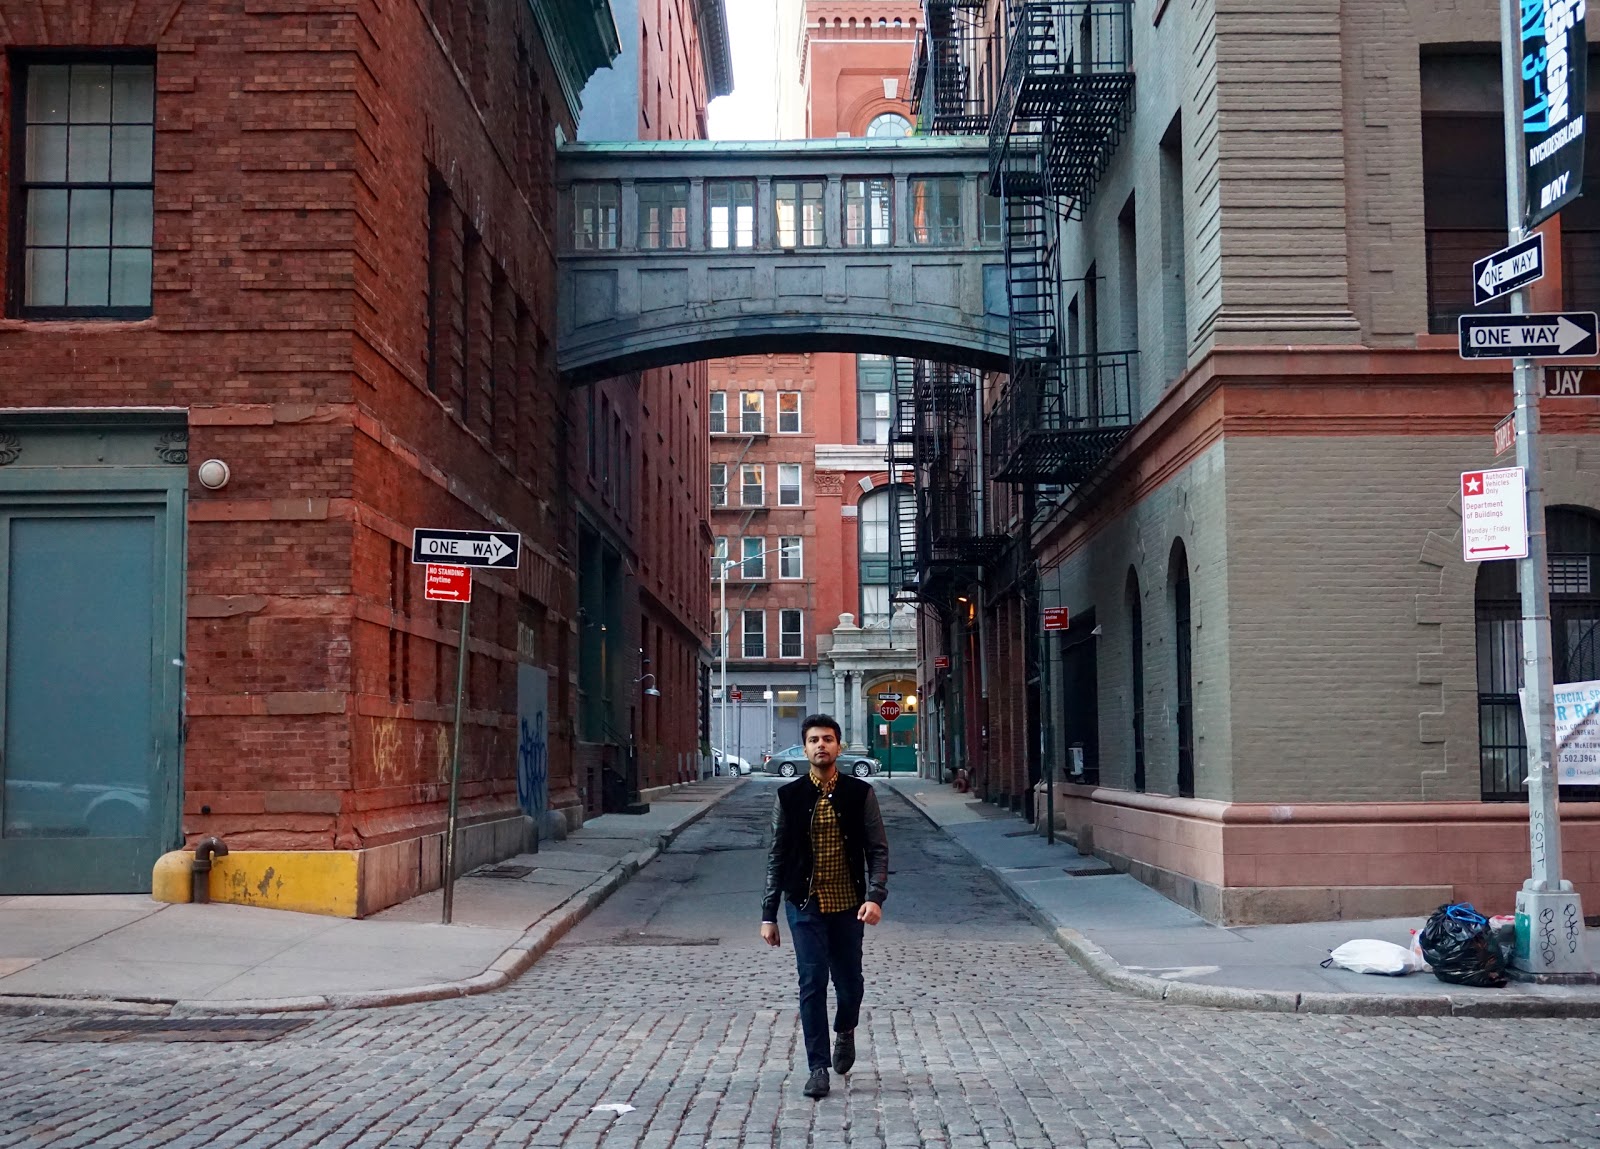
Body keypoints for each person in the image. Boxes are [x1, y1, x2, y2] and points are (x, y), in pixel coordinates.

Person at [760, 713, 889, 1099]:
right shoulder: (789, 796)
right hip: (804, 904)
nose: (821, 745)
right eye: (814, 740)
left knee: (850, 984)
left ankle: (845, 1029)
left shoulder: (860, 793)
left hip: (850, 905)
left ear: (838, 747)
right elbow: (776, 855)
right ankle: (817, 1067)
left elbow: (878, 849)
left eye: (828, 739)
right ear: (805, 748)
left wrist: (875, 896)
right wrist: (768, 915)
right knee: (812, 982)